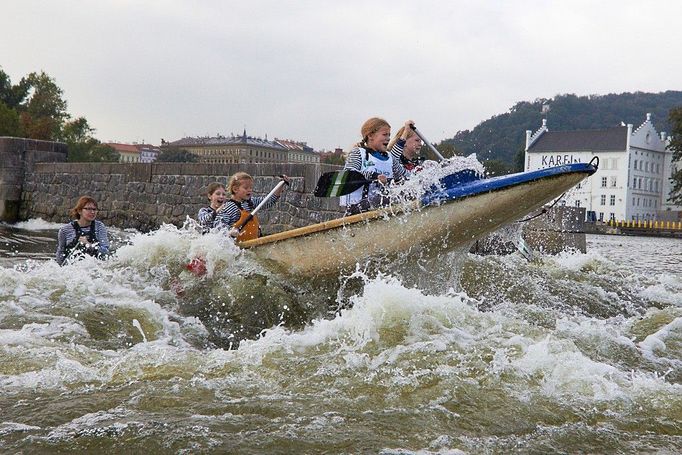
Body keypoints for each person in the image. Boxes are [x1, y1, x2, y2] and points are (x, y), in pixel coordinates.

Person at [341, 117, 408, 214]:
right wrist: (374, 176)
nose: (388, 138)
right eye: (384, 134)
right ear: (370, 136)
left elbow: (404, 176)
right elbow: (349, 174)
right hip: (356, 208)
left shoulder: (390, 158)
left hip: (379, 206)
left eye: (389, 135)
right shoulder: (358, 153)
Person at [214, 172, 290, 241]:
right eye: (246, 188)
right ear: (235, 189)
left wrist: (281, 185)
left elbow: (269, 201)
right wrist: (229, 232)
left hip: (253, 242)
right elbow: (217, 226)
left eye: (250, 187)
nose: (249, 190)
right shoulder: (229, 207)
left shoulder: (250, 202)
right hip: (236, 247)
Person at [55, 196, 110, 265]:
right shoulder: (65, 230)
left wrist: (89, 245)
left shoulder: (99, 227)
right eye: (88, 209)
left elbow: (106, 252)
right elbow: (60, 252)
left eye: (94, 209)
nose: (92, 212)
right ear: (79, 211)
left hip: (95, 267)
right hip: (72, 269)